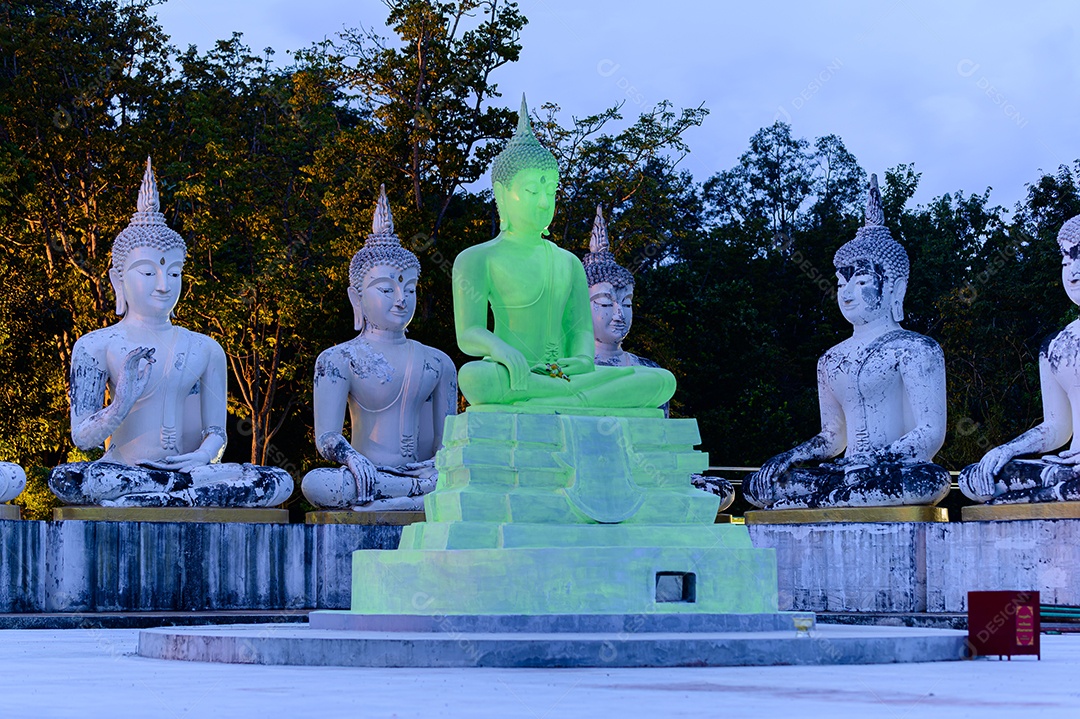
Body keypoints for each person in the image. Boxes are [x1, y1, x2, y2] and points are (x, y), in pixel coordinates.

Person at [48, 158, 293, 508]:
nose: (164, 285)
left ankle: (159, 496)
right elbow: (83, 438)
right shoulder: (97, 345)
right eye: (148, 273)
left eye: (174, 273)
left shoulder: (206, 348)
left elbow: (216, 434)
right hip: (125, 470)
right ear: (119, 280)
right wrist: (121, 402)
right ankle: (175, 496)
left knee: (276, 481)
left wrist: (202, 456)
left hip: (190, 472)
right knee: (68, 478)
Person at [453, 98, 675, 410]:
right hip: (510, 371)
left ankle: (553, 398)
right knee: (475, 378)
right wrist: (502, 350)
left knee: (662, 381)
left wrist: (583, 359)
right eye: (532, 191)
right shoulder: (477, 259)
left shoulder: (568, 262)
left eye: (551, 192)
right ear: (502, 194)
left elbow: (581, 330)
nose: (544, 202)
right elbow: (469, 333)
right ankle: (574, 401)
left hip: (562, 376)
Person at [746, 175, 950, 509]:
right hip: (843, 472)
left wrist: (873, 460)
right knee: (760, 485)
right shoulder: (830, 359)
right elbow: (833, 436)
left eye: (862, 280)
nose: (847, 293)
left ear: (895, 288)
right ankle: (833, 493)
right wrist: (790, 456)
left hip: (891, 469)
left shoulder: (917, 349)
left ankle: (831, 496)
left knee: (929, 480)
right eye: (841, 283)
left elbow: (930, 433)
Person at [301, 187, 457, 511]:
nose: (400, 298)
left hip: (426, 476)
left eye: (409, 288)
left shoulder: (438, 363)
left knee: (468, 474)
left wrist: (442, 467)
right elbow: (327, 438)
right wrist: (352, 459)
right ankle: (412, 497)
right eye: (386, 288)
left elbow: (448, 448)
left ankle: (406, 496)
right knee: (318, 484)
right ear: (356, 299)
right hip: (368, 477)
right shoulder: (338, 359)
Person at [960, 215, 1080, 504]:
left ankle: (1051, 493)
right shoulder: (1056, 344)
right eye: (1065, 262)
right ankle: (1055, 491)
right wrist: (1008, 449)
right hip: (1068, 467)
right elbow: (1057, 427)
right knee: (974, 478)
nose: (1073, 272)